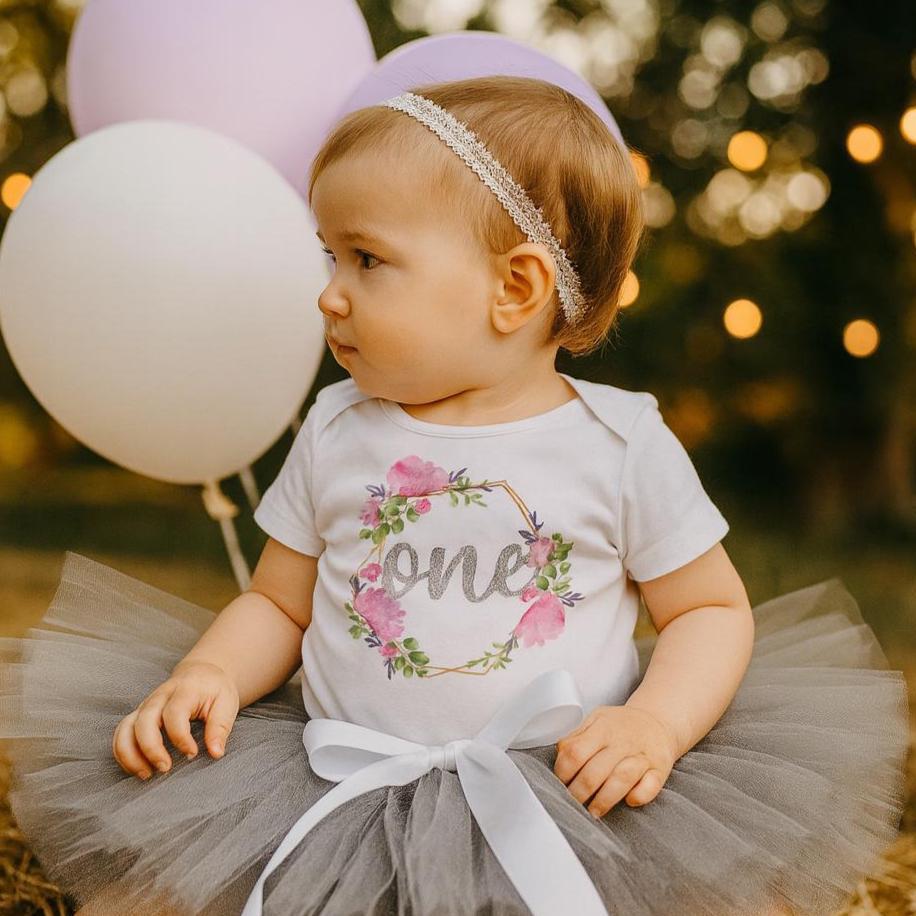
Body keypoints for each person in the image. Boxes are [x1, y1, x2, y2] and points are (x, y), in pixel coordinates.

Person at [0, 75, 908, 916]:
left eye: (366, 260)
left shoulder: (617, 443)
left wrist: (654, 726)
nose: (330, 296)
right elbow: (278, 600)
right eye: (329, 256)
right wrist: (211, 671)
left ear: (514, 287)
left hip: (562, 795)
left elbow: (710, 608)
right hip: (339, 788)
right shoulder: (337, 427)